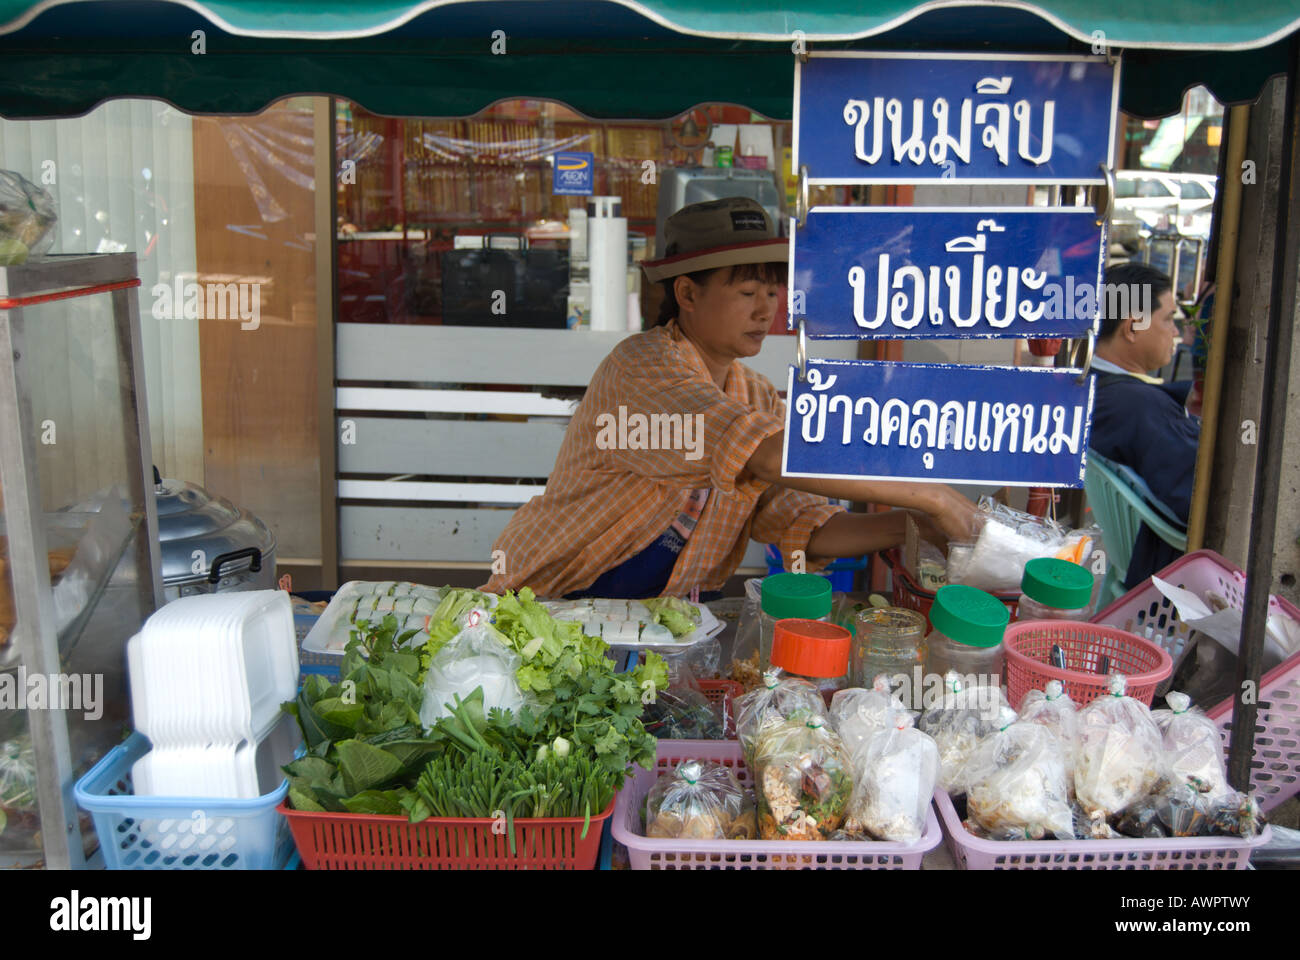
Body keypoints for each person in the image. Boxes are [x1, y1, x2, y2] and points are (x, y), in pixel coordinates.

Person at [483, 197, 976, 600]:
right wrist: (931, 494)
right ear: (687, 294)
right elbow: (757, 451)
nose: (767, 310)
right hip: (556, 597)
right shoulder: (640, 367)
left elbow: (800, 518)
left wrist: (913, 524)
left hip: (665, 615)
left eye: (772, 291)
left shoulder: (755, 395)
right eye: (746, 293)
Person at [1089, 262, 1197, 587]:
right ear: (1133, 327)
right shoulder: (1137, 406)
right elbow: (1200, 501)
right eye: (1168, 319)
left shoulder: (1092, 387)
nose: (1176, 332)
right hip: (1170, 578)